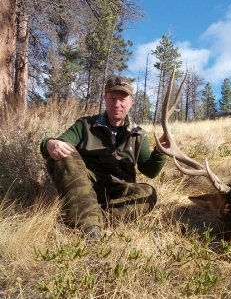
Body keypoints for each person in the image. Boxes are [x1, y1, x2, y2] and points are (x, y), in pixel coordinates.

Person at [40, 76, 169, 240]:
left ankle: (80, 217)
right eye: (112, 98)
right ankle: (90, 229)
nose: (117, 104)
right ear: (105, 98)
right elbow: (59, 145)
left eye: (123, 99)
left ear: (131, 102)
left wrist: (159, 152)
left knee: (149, 193)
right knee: (64, 152)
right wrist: (49, 143)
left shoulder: (139, 134)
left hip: (118, 190)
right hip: (84, 186)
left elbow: (149, 171)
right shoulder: (85, 125)